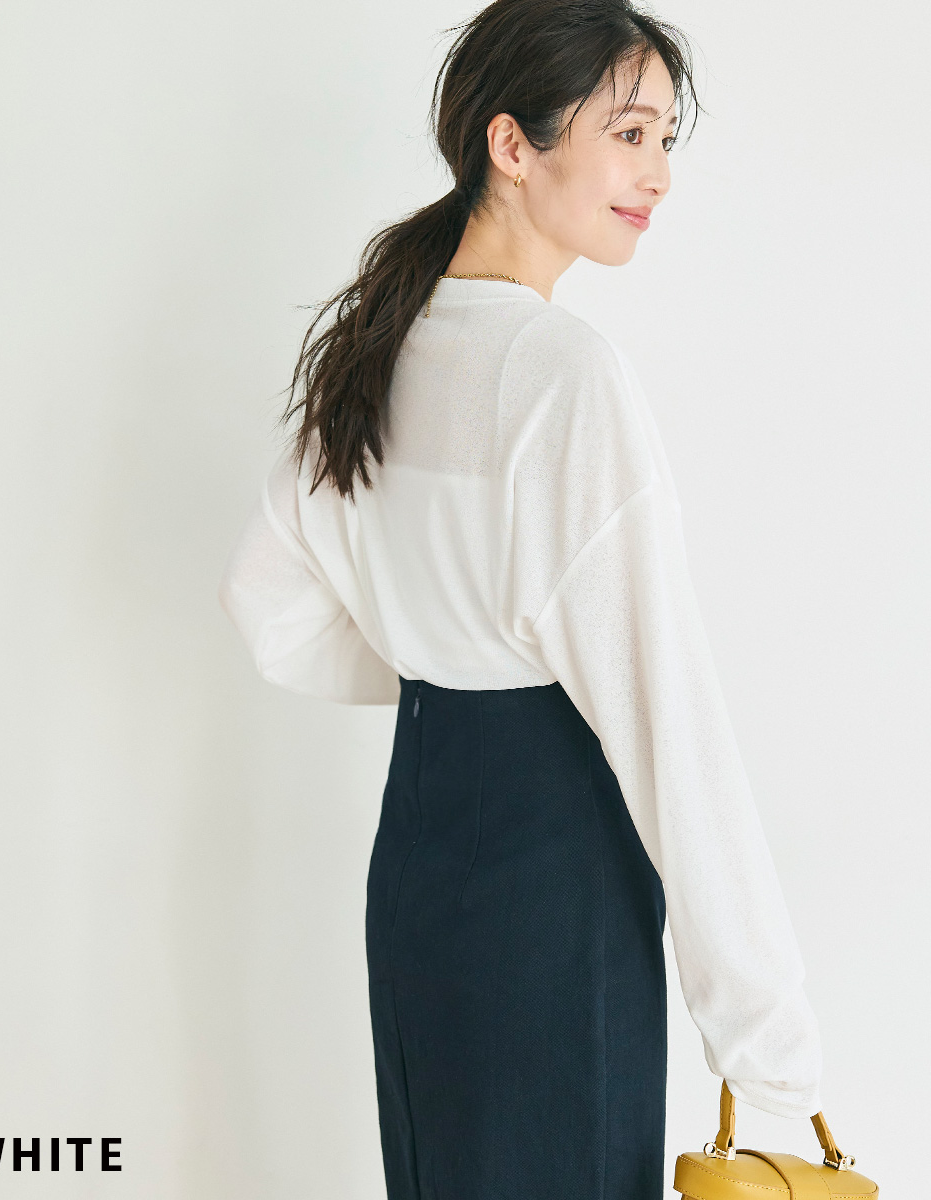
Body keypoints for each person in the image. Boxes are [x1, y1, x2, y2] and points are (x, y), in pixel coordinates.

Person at [218, 0, 825, 1196]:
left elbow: (267, 604)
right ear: (512, 144)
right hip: (553, 883)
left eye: (664, 140)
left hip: (419, 861)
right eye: (629, 133)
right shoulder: (561, 375)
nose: (658, 174)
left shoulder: (380, 346)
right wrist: (768, 1039)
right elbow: (664, 718)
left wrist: (444, 657)